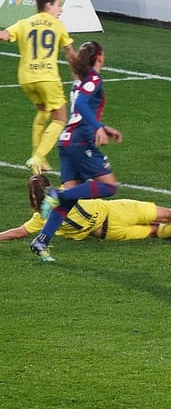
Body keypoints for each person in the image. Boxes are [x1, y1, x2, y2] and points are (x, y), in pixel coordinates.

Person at [31, 40, 123, 262]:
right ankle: (57, 193)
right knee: (109, 186)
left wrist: (103, 126)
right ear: (99, 57)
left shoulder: (79, 79)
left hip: (67, 140)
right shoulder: (93, 79)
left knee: (70, 200)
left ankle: (41, 241)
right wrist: (98, 126)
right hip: (81, 142)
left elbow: (81, 107)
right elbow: (81, 104)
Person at [0, 174, 171, 244]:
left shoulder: (39, 219)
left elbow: (18, 233)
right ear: (49, 185)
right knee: (168, 213)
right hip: (114, 210)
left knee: (154, 231)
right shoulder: (65, 191)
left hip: (107, 232)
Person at [0, 0, 78, 175]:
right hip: (47, 78)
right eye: (59, 5)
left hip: (26, 78)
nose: (61, 9)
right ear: (48, 5)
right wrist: (79, 75)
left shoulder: (24, 23)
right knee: (59, 118)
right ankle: (38, 156)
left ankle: (39, 161)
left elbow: (3, 35)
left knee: (43, 111)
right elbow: (70, 54)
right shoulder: (58, 25)